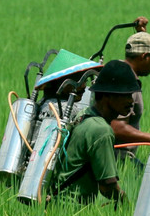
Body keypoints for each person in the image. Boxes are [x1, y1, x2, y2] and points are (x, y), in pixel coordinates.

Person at [54, 60, 139, 205]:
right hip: (72, 211)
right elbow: (107, 187)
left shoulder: (83, 115)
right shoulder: (102, 131)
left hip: (55, 204)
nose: (131, 101)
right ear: (107, 96)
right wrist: (126, 204)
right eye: (125, 95)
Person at [112, 16, 150, 154]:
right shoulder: (123, 79)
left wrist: (141, 34)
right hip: (116, 159)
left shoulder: (122, 72)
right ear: (144, 56)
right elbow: (117, 127)